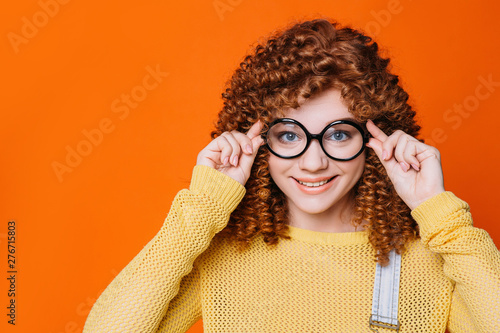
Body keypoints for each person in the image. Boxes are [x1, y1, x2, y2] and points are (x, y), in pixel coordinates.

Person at [82, 18, 500, 332]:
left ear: (379, 136)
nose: (313, 162)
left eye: (337, 134)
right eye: (288, 134)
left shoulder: (434, 257)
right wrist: (200, 209)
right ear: (258, 140)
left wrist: (442, 216)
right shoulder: (221, 254)